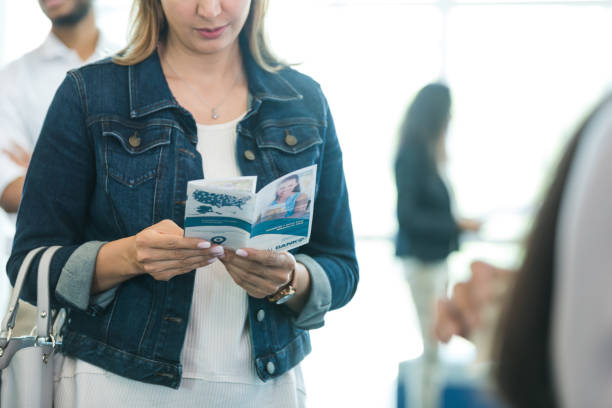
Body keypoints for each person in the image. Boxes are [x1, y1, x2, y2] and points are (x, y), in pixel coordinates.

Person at [6, 1, 358, 407]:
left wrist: (292, 280)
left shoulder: (303, 102)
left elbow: (341, 264)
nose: (209, 11)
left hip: (265, 389)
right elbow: (30, 264)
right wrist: (130, 257)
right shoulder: (91, 95)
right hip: (113, 383)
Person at [394, 82, 481, 408]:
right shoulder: (412, 155)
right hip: (422, 262)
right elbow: (409, 216)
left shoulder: (429, 154)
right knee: (432, 348)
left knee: (435, 348)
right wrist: (455, 224)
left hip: (434, 261)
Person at [0, 0, 116, 215]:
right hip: (45, 244)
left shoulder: (132, 66)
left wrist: (43, 171)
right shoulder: (11, 79)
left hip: (127, 244)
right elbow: (9, 191)